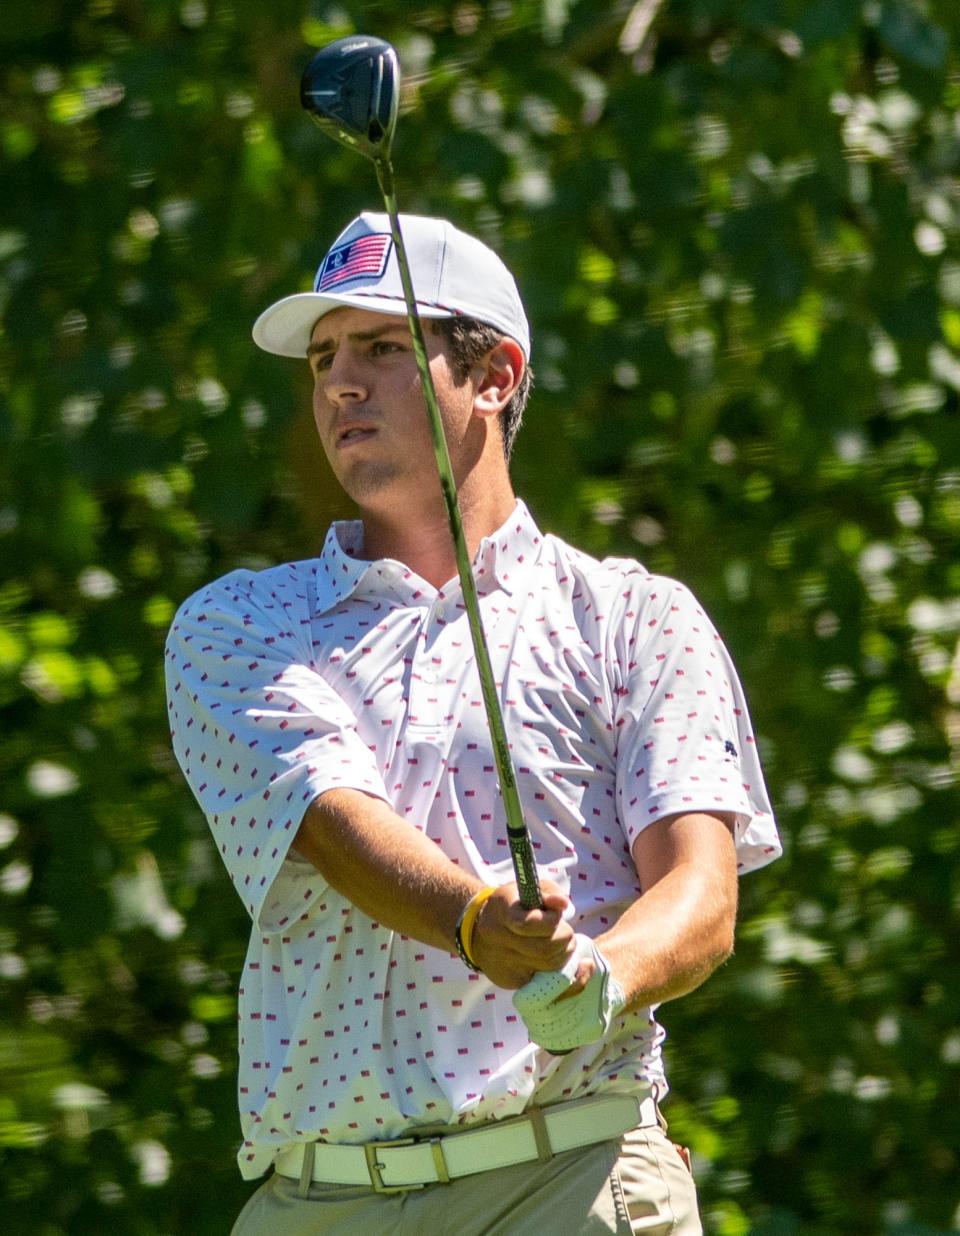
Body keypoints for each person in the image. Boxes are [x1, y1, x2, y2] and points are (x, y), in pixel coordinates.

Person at [165, 211, 781, 1235]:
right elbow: (334, 822)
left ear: (493, 376)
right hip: (324, 1200)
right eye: (323, 358)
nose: (338, 385)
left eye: (382, 348)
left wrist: (596, 977)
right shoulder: (239, 625)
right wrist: (477, 925)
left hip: (572, 1178)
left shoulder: (634, 617)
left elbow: (701, 893)